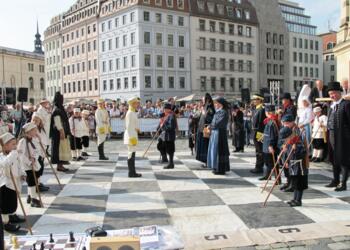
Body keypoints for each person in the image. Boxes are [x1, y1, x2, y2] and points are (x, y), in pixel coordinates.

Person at [326, 81, 350, 191]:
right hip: (331, 134)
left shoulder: (346, 104)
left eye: (334, 93)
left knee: (343, 159)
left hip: (343, 137)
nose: (332, 95)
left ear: (339, 93)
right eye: (330, 93)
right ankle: (335, 180)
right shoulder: (332, 106)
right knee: (334, 159)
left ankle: (343, 183)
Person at [0, 133, 26, 232]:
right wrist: (13, 154)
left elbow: (20, 165)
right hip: (5, 185)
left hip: (15, 182)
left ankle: (12, 216)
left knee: (13, 202)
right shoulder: (2, 157)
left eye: (16, 144)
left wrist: (23, 173)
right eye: (13, 144)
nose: (15, 147)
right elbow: (5, 165)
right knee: (6, 205)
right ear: (5, 145)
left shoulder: (14, 155)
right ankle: (5, 223)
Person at [281, 114, 308, 206]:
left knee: (299, 183)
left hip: (299, 164)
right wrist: (286, 159)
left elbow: (303, 150)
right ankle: (294, 198)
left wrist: (296, 148)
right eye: (284, 123)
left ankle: (298, 200)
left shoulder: (297, 135)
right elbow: (287, 148)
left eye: (287, 123)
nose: (285, 125)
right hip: (292, 162)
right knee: (295, 182)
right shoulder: (289, 135)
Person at [18, 123, 42, 208]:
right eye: (34, 130)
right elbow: (20, 155)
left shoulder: (33, 139)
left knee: (35, 179)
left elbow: (37, 150)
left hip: (34, 163)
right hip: (26, 166)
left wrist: (34, 158)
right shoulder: (22, 141)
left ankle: (29, 195)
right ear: (28, 131)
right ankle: (33, 199)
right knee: (31, 181)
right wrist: (28, 161)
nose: (36, 131)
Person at [207, 97, 230, 175]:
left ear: (220, 104)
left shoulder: (224, 112)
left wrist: (211, 126)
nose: (215, 105)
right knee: (215, 150)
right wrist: (210, 125)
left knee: (219, 151)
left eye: (216, 103)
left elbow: (219, 123)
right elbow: (213, 122)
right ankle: (216, 167)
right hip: (215, 133)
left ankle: (220, 169)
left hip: (220, 134)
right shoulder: (218, 112)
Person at [50, 92, 71, 172]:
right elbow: (57, 122)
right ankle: (59, 165)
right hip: (58, 133)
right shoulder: (57, 109)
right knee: (59, 149)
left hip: (61, 132)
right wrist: (61, 131)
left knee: (62, 148)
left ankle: (61, 164)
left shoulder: (58, 108)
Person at [124, 97, 142, 177]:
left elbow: (134, 124)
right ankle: (131, 172)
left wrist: (137, 129)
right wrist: (132, 138)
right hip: (131, 137)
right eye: (136, 103)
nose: (137, 104)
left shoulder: (132, 112)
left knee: (132, 154)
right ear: (132, 104)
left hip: (133, 135)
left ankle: (132, 172)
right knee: (131, 154)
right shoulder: (130, 113)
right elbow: (128, 127)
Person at [260, 105, 280, 181]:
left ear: (267, 112)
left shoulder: (271, 122)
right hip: (266, 144)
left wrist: (271, 145)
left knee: (272, 163)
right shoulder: (269, 120)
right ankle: (267, 175)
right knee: (268, 162)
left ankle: (277, 179)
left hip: (269, 145)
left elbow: (272, 135)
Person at [31, 113, 50, 192]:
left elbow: (44, 138)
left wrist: (45, 148)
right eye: (34, 120)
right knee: (37, 168)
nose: (35, 122)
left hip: (41, 150)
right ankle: (36, 185)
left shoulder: (41, 128)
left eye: (37, 120)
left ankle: (38, 183)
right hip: (35, 152)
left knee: (41, 167)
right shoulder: (31, 129)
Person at [196, 93, 215, 167]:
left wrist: (204, 114)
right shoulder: (205, 107)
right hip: (201, 129)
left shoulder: (210, 108)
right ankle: (204, 161)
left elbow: (211, 119)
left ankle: (207, 161)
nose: (202, 101)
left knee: (206, 146)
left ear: (207, 99)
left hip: (206, 130)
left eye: (203, 99)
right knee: (202, 146)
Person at [250, 94, 266, 174]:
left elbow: (261, 123)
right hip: (255, 131)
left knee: (259, 150)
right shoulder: (256, 109)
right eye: (253, 99)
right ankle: (258, 166)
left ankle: (259, 167)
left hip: (259, 132)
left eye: (256, 99)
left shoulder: (261, 109)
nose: (254, 101)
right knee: (257, 150)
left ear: (260, 100)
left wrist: (259, 134)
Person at [159, 103, 177, 169]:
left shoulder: (171, 115)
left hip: (170, 135)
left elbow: (171, 126)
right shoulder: (168, 115)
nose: (163, 110)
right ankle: (170, 163)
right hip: (167, 135)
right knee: (169, 149)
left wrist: (163, 125)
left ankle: (171, 163)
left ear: (167, 109)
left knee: (170, 150)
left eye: (164, 109)